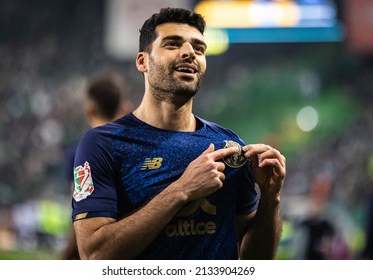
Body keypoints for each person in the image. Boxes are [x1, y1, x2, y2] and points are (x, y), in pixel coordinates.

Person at [72, 7, 286, 260]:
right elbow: (95, 255)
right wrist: (182, 189)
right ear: (143, 61)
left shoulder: (228, 147)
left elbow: (254, 262)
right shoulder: (103, 144)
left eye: (199, 48)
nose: (189, 53)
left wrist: (271, 200)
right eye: (173, 44)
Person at [60, 74, 133, 259]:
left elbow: (81, 215)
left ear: (89, 110)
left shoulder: (79, 153)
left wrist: (67, 258)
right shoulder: (138, 148)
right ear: (125, 108)